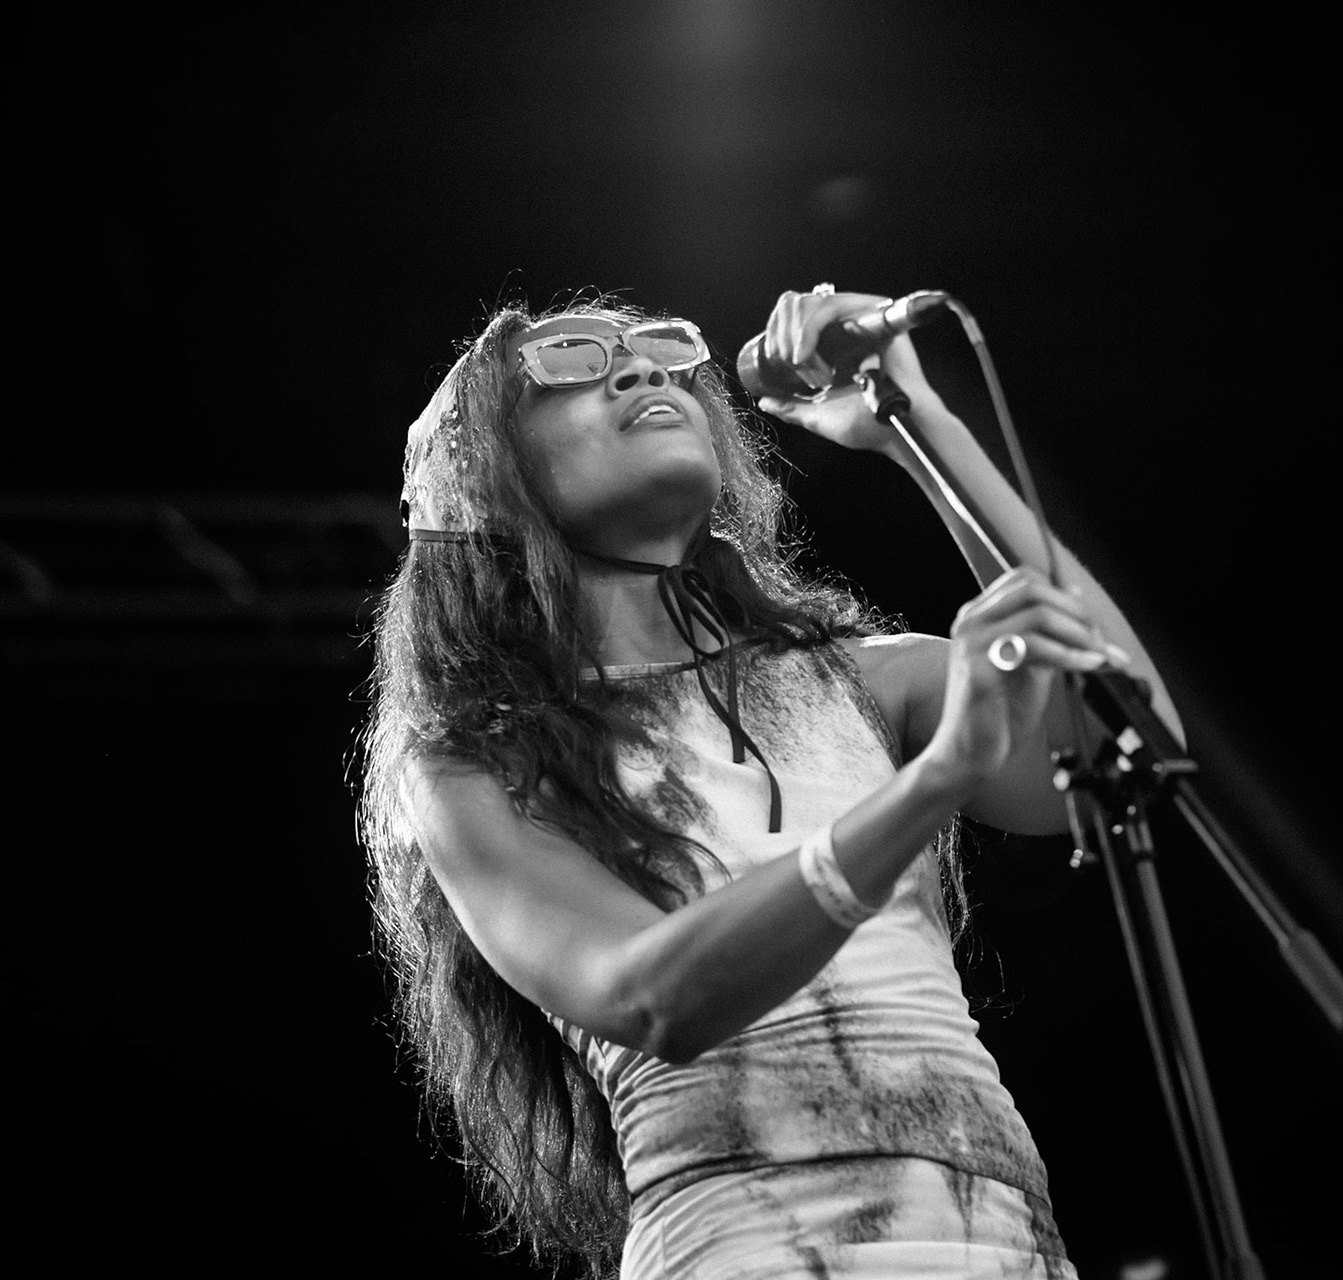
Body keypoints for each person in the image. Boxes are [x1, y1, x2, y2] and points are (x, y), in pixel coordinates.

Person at [359, 285, 1183, 1279]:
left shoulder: (858, 677)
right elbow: (652, 994)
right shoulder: (467, 762)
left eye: (664, 355)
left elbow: (1121, 737)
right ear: (477, 485)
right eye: (570, 360)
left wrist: (917, 425)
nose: (644, 369)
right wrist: (933, 781)